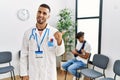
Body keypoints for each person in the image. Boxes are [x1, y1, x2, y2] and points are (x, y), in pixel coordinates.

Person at [20, 4, 65, 80]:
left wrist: (59, 41)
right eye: (39, 12)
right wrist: (24, 73)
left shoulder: (55, 32)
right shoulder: (28, 32)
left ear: (48, 16)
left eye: (44, 13)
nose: (41, 15)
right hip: (33, 72)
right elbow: (24, 54)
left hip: (49, 73)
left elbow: (59, 53)